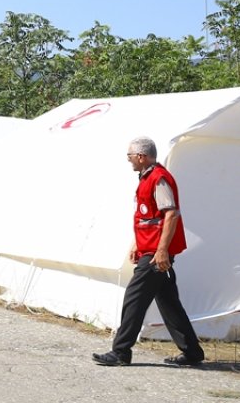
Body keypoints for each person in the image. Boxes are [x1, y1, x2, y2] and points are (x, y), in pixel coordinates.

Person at [92, 137, 205, 368]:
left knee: (134, 298)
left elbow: (170, 214)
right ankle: (192, 352)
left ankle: (121, 351)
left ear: (141, 157)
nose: (129, 160)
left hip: (155, 254)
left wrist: (162, 250)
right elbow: (148, 218)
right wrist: (137, 244)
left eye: (130, 156)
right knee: (169, 303)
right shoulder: (146, 178)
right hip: (150, 248)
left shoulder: (159, 179)